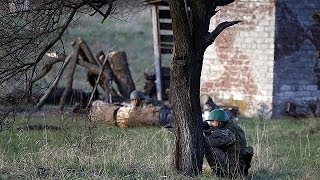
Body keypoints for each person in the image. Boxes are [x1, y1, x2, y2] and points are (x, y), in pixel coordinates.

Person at [203, 109, 253, 178]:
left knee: (209, 148)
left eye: (212, 121)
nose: (211, 124)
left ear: (220, 122)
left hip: (233, 171)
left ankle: (219, 174)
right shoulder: (234, 128)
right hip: (240, 168)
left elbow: (208, 142)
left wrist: (204, 132)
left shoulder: (227, 132)